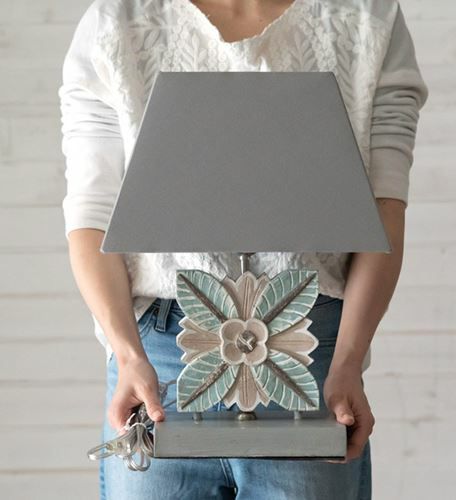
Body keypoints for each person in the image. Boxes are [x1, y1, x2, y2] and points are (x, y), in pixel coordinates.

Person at [59, 0, 428, 498]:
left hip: (311, 354)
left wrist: (348, 359)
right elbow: (91, 217)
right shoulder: (117, 22)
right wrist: (127, 354)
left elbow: (384, 210)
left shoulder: (366, 19)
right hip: (157, 359)